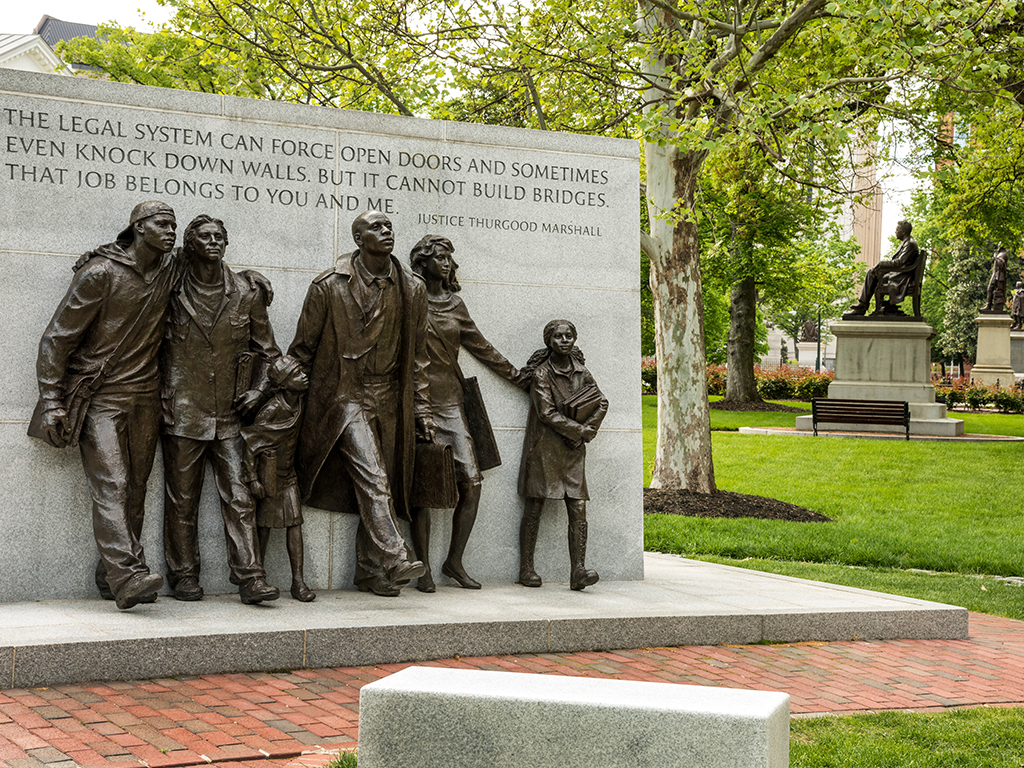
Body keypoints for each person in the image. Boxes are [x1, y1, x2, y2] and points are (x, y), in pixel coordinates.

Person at [29, 201, 179, 609]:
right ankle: (129, 575)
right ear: (138, 227)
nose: (171, 232)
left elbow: (209, 262)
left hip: (145, 397)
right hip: (100, 397)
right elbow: (56, 339)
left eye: (174, 226)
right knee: (111, 483)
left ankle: (110, 575)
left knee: (135, 488)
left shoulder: (169, 268)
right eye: (162, 225)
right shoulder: (100, 273)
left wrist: (252, 280)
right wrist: (51, 400)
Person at [289, 211, 430, 597]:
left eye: (390, 226)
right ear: (357, 238)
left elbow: (419, 357)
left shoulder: (412, 288)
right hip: (344, 396)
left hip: (390, 396)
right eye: (376, 227)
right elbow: (303, 348)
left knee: (383, 478)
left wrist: (421, 408)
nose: (387, 231)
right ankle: (396, 556)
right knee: (373, 474)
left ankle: (370, 571)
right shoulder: (328, 285)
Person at [159, 214, 280, 605]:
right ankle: (183, 576)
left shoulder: (246, 291)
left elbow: (268, 352)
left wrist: (259, 391)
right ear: (189, 244)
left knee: (240, 496)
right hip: (182, 410)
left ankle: (250, 577)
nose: (213, 242)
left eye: (219, 237)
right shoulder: (170, 285)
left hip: (231, 415)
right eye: (205, 237)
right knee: (182, 501)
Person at [408, 235, 526, 592]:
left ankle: (454, 561)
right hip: (418, 404)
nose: (446, 263)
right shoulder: (409, 300)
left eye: (448, 258)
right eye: (439, 257)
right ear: (423, 262)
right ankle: (423, 566)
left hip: (452, 404)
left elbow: (482, 347)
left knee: (472, 482)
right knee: (423, 489)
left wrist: (519, 378)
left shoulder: (456, 305)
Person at [517, 320, 607, 591]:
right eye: (558, 336)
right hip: (544, 448)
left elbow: (601, 401)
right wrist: (579, 430)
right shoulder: (542, 374)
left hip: (573, 450)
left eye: (569, 336)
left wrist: (589, 429)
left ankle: (578, 571)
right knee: (535, 506)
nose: (564, 340)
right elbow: (545, 412)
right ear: (549, 341)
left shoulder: (582, 371)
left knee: (578, 507)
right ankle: (526, 568)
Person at [241, 355, 316, 602]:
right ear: (284, 383)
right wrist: (253, 480)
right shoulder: (272, 410)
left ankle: (298, 582)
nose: (303, 375)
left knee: (295, 526)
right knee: (263, 528)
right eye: (296, 374)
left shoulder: (301, 402)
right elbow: (251, 445)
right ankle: (256, 577)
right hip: (270, 476)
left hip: (289, 476)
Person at [845, 221, 920, 317]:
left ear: (904, 231)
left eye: (897, 229)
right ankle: (864, 305)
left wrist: (881, 264)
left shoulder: (910, 244)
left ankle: (862, 306)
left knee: (872, 275)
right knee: (872, 273)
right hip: (900, 275)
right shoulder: (907, 243)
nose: (895, 232)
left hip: (902, 278)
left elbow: (899, 263)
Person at [982, 246, 1009, 312]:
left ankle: (990, 306)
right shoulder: (1001, 254)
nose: (997, 247)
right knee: (990, 289)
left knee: (991, 289)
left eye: (998, 246)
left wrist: (995, 258)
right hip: (996, 274)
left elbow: (1001, 264)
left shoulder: (1003, 254)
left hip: (999, 275)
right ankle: (988, 306)